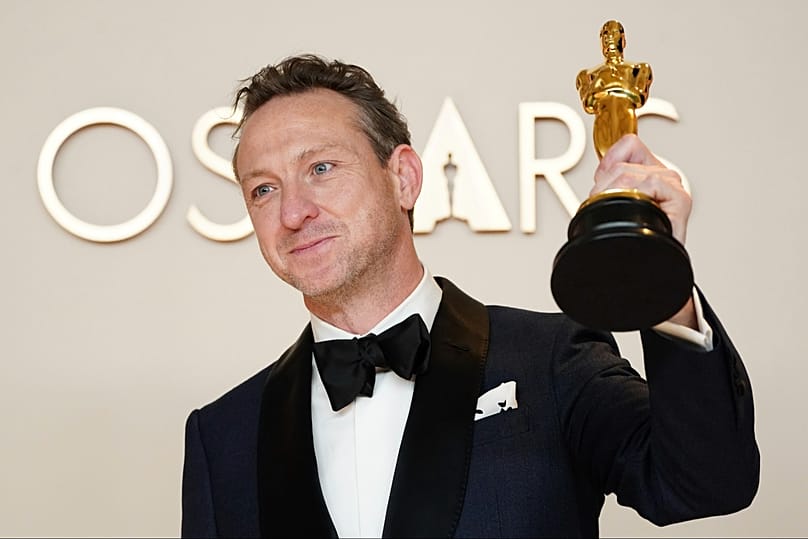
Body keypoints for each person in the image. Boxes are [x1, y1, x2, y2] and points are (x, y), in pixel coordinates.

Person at [181, 55, 759, 538]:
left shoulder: (551, 359)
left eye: (322, 168)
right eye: (263, 189)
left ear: (403, 177)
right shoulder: (222, 434)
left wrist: (662, 289)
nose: (293, 212)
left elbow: (704, 481)